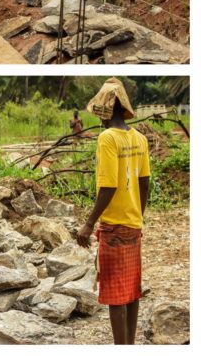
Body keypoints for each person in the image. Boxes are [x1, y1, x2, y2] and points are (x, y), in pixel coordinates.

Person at [77, 78, 150, 345]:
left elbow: (108, 185)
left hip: (114, 227)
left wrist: (88, 223)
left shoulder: (107, 138)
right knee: (131, 290)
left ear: (105, 110)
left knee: (116, 295)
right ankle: (129, 345)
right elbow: (144, 183)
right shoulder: (139, 138)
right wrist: (138, 216)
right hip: (133, 224)